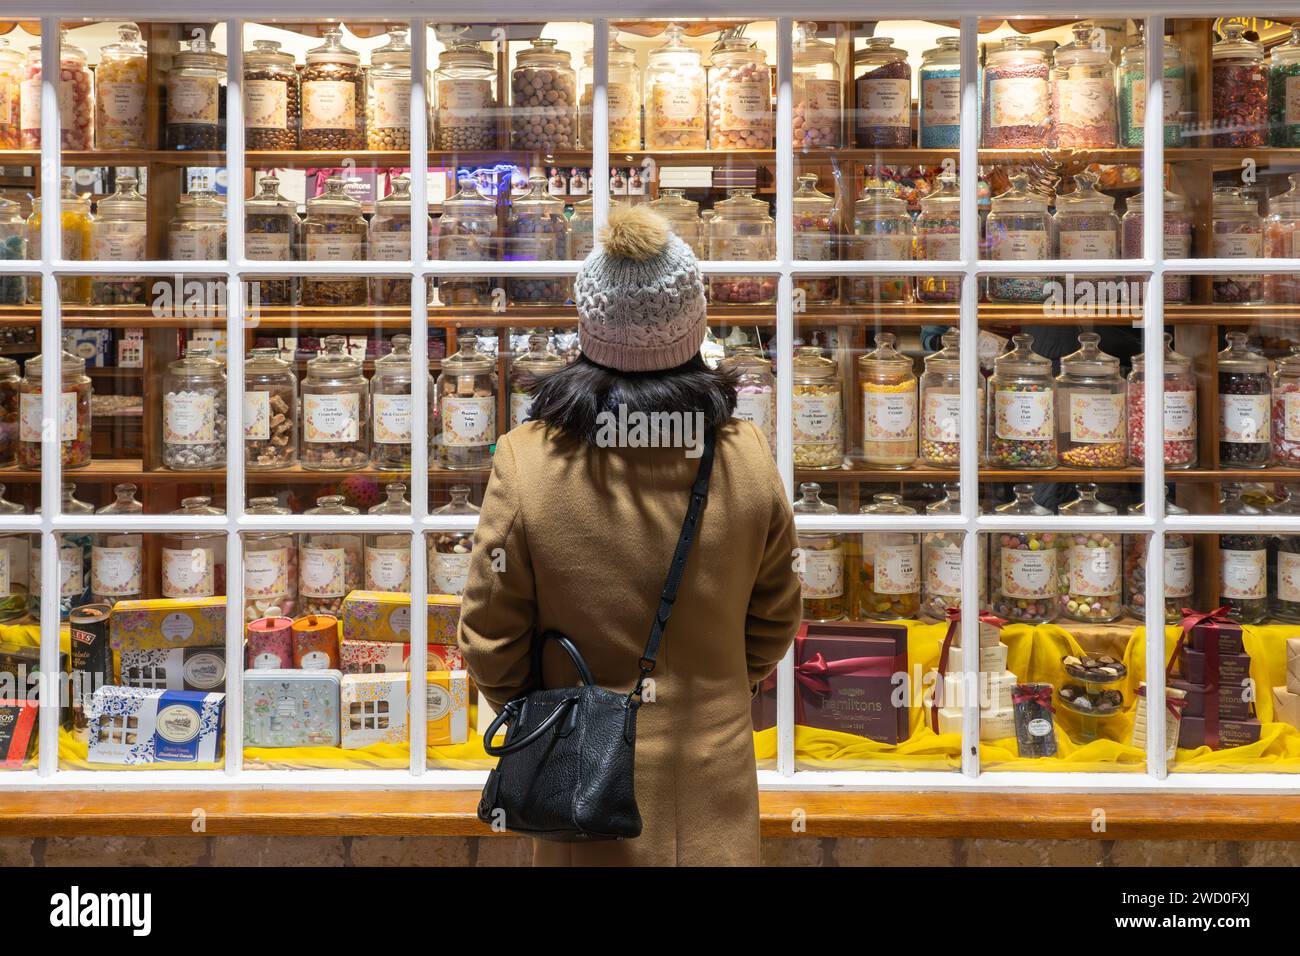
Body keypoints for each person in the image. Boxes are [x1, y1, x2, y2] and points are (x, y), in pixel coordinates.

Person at [458, 204, 802, 866]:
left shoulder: (528, 461)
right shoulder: (746, 454)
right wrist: (717, 691)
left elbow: (489, 637)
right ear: (695, 329)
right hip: (715, 786)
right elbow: (777, 617)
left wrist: (551, 715)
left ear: (588, 330)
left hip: (581, 795)